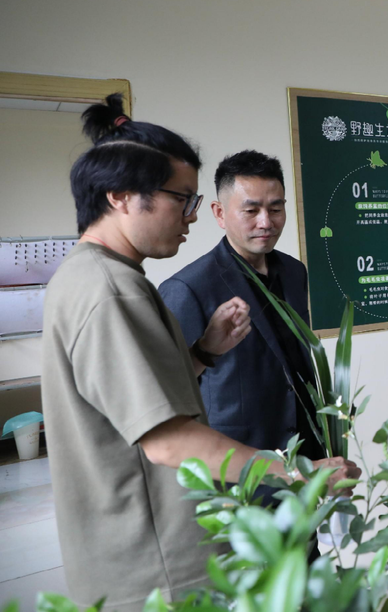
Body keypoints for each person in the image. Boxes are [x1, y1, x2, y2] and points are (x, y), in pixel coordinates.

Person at [41, 95, 358, 611]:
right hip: (157, 558)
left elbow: (136, 396)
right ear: (121, 196)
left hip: (160, 545)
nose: (189, 217)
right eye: (181, 199)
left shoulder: (101, 277)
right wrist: (299, 471)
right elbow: (166, 439)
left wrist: (204, 353)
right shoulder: (113, 291)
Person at [160, 150, 322, 462]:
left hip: (305, 453)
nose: (266, 222)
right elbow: (170, 389)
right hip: (239, 462)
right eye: (251, 210)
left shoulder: (294, 272)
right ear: (219, 213)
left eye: (276, 209)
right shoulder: (187, 288)